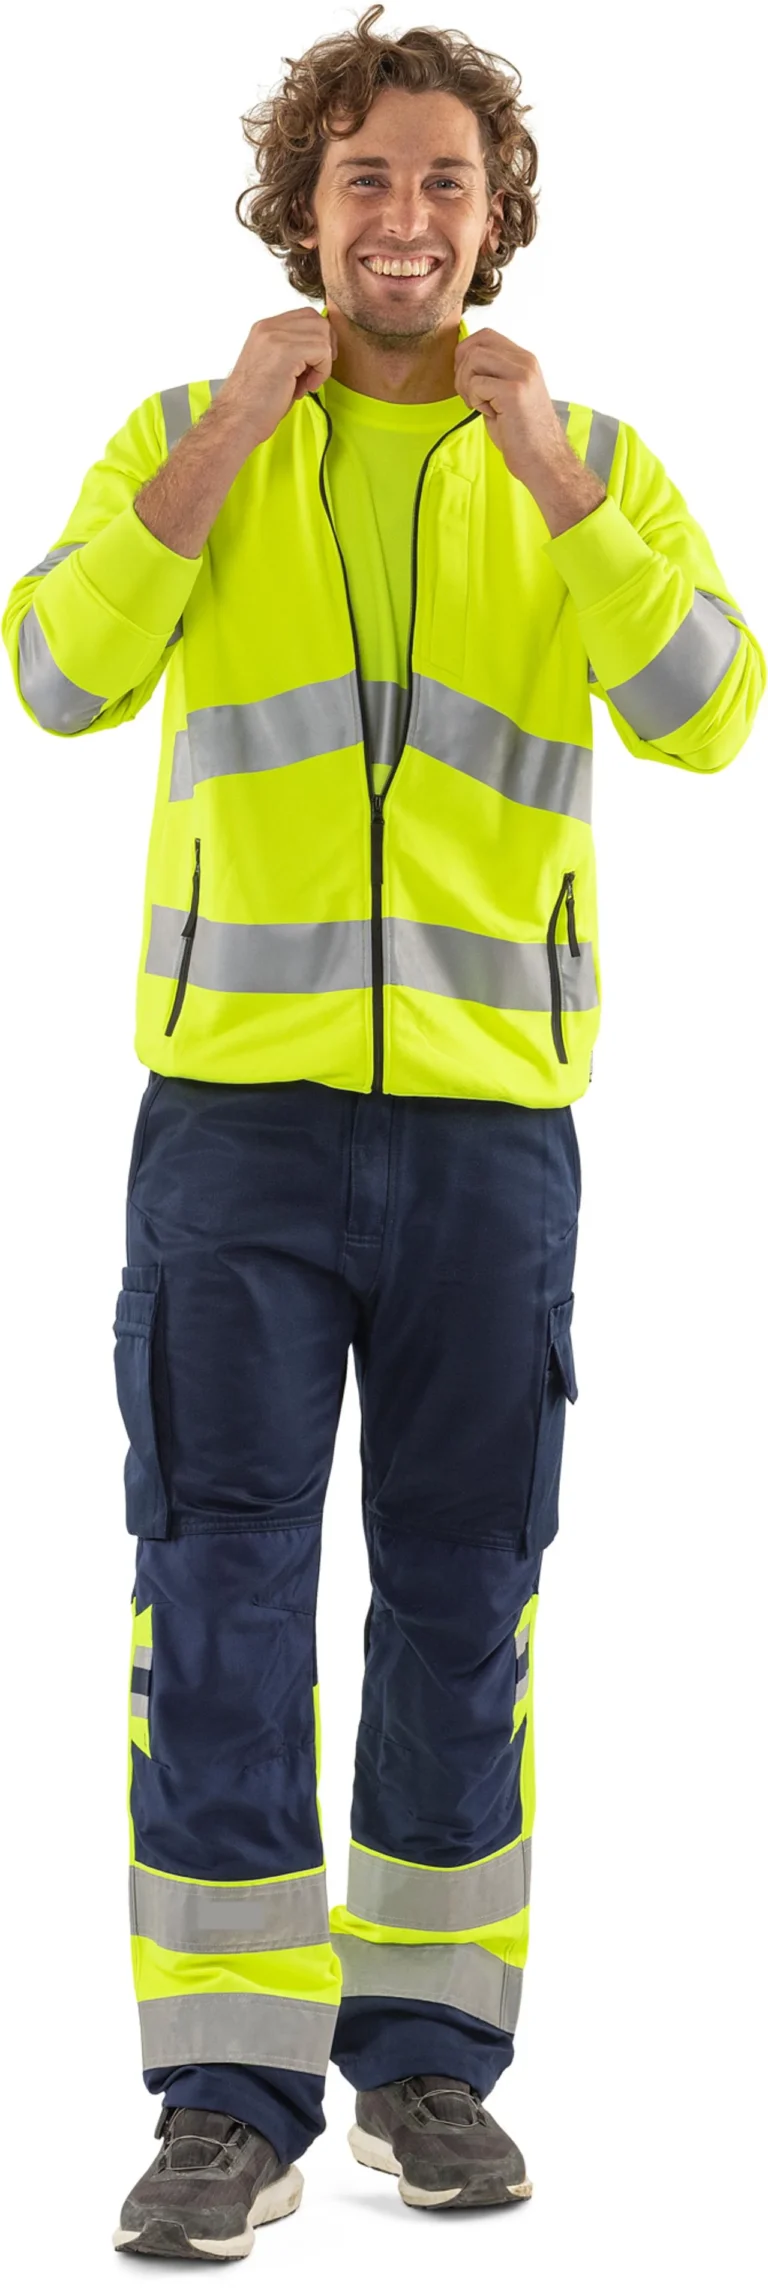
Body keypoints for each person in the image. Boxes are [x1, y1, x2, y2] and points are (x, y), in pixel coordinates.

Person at [3, 5, 764, 2262]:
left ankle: (426, 2062)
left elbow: (712, 710)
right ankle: (224, 2099)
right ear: (301, 209)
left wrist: (562, 496)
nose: (405, 218)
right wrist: (232, 437)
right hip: (231, 1120)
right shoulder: (185, 436)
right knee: (217, 1592)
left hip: (488, 1132)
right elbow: (55, 674)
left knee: (462, 1594)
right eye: (365, 178)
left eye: (445, 180)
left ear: (496, 217)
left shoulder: (590, 458)